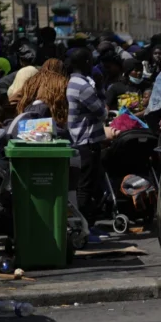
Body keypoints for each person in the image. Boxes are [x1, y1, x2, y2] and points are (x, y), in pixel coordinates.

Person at [67, 49, 108, 221]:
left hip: (80, 139)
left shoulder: (73, 82)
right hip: (87, 141)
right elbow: (102, 112)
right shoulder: (83, 86)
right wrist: (99, 87)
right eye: (90, 60)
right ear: (85, 63)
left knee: (87, 185)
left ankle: (86, 224)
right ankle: (82, 226)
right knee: (85, 187)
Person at [14, 58, 69, 131]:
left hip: (30, 118)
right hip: (52, 118)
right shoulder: (62, 81)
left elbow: (17, 98)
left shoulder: (32, 80)